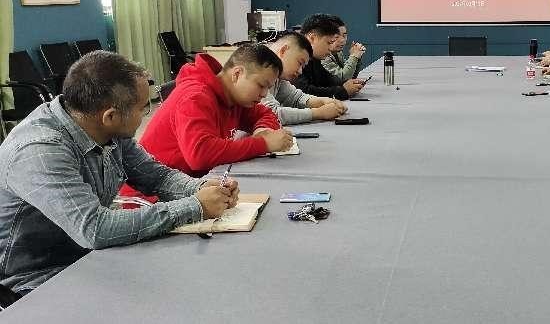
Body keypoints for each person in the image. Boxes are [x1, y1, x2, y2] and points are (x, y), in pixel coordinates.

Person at [0, 51, 238, 295]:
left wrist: (200, 188)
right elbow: (95, 229)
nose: (147, 114)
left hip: (88, 256)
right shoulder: (41, 151)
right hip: (35, 278)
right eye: (143, 108)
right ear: (110, 116)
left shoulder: (107, 130)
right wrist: (195, 206)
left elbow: (157, 176)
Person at [137, 44, 293, 178]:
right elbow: (200, 155)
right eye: (261, 85)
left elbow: (265, 113)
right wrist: (263, 144)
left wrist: (262, 131)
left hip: (192, 181)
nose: (264, 94)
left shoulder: (235, 97)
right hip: (152, 195)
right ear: (237, 74)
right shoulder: (195, 96)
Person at [262, 31, 348, 124]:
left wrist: (323, 101)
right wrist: (317, 113)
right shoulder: (259, 67)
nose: (300, 71)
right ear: (283, 51)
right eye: (300, 63)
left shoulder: (278, 75)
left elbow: (296, 98)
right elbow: (270, 114)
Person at [293, 14, 365, 100]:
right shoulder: (296, 59)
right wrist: (343, 91)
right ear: (312, 38)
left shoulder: (316, 58)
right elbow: (304, 91)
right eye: (329, 43)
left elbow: (328, 83)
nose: (331, 49)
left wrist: (347, 85)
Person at [322, 16, 366, 82]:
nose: (342, 40)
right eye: (336, 36)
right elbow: (343, 78)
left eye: (344, 36)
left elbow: (351, 76)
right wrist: (354, 56)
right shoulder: (322, 55)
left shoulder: (338, 52)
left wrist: (357, 57)